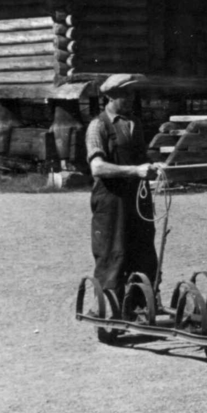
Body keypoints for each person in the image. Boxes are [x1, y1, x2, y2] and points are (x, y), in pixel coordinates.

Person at [85, 73, 164, 295]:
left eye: (132, 93)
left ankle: (141, 304)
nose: (130, 98)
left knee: (144, 250)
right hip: (111, 199)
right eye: (124, 94)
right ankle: (109, 310)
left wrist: (152, 166)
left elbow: (140, 158)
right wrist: (135, 171)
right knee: (113, 252)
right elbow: (97, 168)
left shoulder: (134, 124)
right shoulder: (98, 126)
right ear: (110, 96)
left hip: (137, 198)